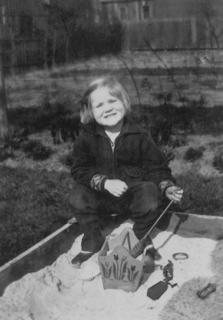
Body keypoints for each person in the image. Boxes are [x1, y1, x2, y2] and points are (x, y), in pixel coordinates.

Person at [70, 76, 183, 267]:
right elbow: (79, 169)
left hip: (132, 198)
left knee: (149, 192)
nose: (107, 108)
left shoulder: (139, 135)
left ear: (124, 102)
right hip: (102, 198)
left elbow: (157, 168)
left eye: (113, 101)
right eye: (99, 105)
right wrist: (104, 182)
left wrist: (167, 187)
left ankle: (139, 236)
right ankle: (92, 239)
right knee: (77, 196)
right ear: (90, 112)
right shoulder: (86, 138)